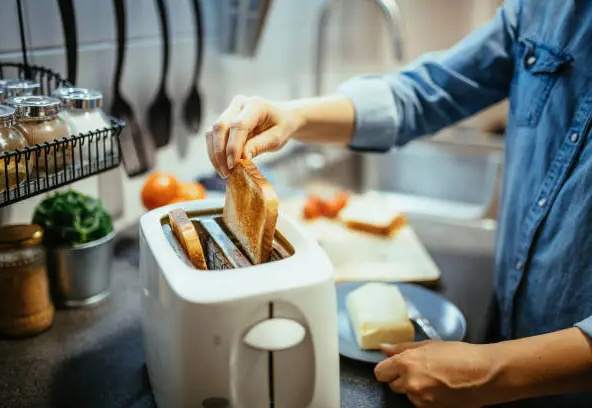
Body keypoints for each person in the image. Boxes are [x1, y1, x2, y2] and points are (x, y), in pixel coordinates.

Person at [206, 1, 592, 407]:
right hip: (504, 338)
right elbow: (426, 92)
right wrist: (292, 116)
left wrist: (491, 369)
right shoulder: (545, 9)